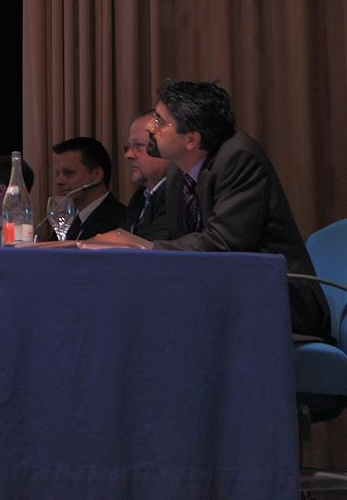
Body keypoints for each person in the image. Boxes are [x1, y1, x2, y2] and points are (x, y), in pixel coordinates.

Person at [93, 79, 329, 338]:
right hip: (222, 294)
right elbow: (182, 244)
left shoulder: (239, 157)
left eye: (160, 121)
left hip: (278, 300)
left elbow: (223, 243)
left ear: (192, 140)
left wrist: (142, 246)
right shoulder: (176, 174)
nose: (151, 128)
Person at [114, 111, 177, 241]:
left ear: (167, 148)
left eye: (138, 146)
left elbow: (153, 248)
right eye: (128, 148)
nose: (128, 155)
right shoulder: (140, 196)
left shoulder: (178, 195)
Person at [48, 137, 125, 241]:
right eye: (58, 174)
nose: (59, 181)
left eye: (69, 173)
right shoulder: (68, 221)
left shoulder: (120, 220)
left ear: (97, 175)